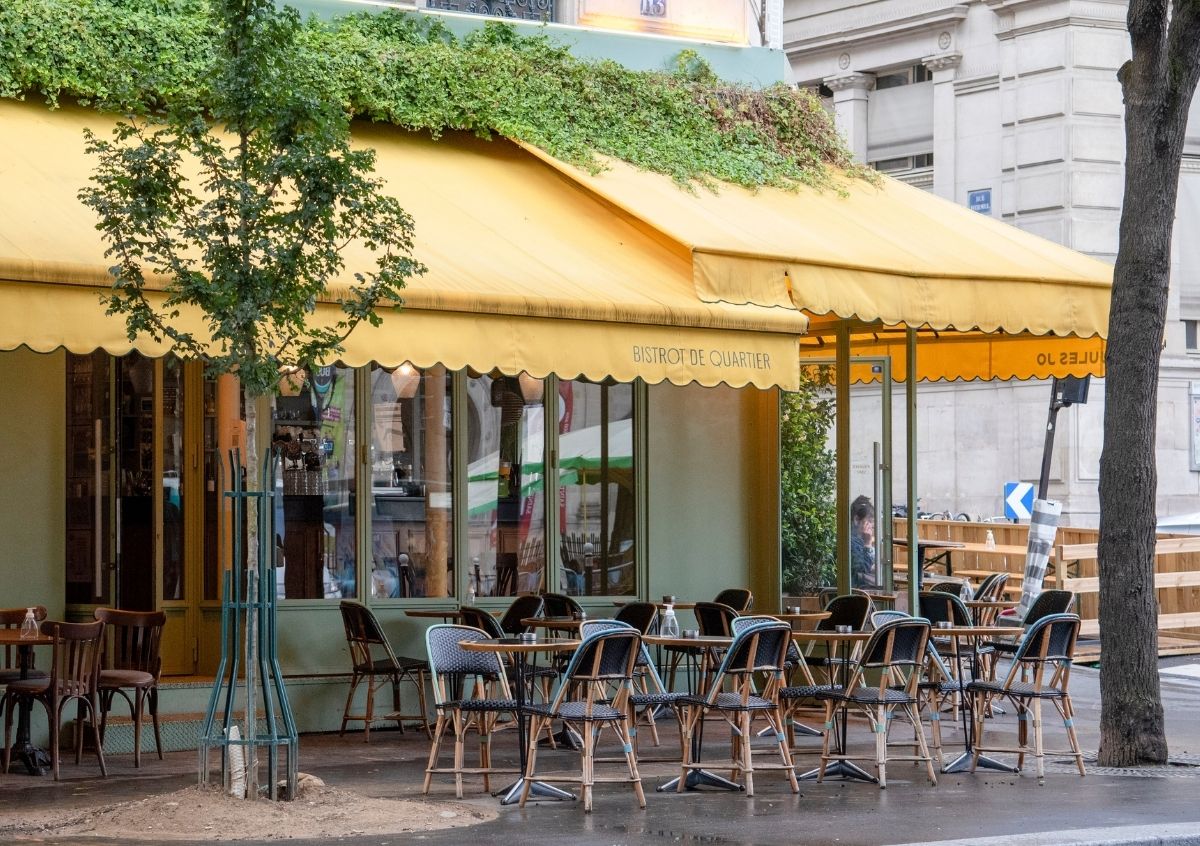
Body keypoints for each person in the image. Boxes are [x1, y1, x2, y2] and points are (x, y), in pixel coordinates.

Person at [850, 495, 878, 589]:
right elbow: (862, 570)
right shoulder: (851, 542)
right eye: (869, 521)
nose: (872, 525)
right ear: (856, 519)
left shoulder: (857, 539)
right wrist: (868, 544)